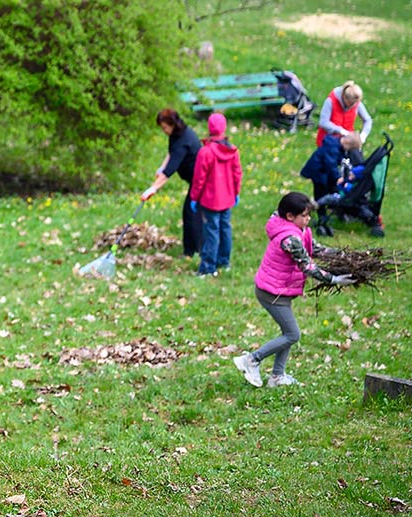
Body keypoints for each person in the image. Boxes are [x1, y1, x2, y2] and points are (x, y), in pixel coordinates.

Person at [232, 192, 355, 388]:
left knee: (287, 333)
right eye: (304, 215)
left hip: (280, 290)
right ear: (290, 216)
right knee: (292, 334)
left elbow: (314, 249)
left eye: (309, 215)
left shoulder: (300, 229)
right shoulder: (289, 238)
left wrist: (343, 256)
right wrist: (334, 279)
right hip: (271, 293)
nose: (308, 219)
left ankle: (277, 376)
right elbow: (308, 266)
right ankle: (251, 360)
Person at [140, 109, 204, 258]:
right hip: (195, 180)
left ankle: (193, 251)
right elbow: (171, 153)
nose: (164, 131)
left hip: (201, 181)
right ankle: (195, 249)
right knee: (192, 213)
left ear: (172, 124)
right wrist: (161, 167)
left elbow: (171, 170)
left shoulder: (183, 141)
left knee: (191, 214)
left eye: (164, 128)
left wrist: (153, 188)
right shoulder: (176, 135)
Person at [189, 112, 242, 277]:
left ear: (209, 128)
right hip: (227, 198)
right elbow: (237, 173)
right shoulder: (232, 150)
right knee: (225, 229)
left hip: (210, 200)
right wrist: (236, 192)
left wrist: (194, 197)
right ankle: (223, 261)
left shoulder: (206, 152)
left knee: (211, 231)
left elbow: (199, 178)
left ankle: (208, 267)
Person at [300, 132, 362, 202]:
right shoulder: (332, 148)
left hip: (324, 170)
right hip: (318, 170)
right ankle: (320, 207)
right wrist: (337, 177)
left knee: (329, 185)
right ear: (347, 144)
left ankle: (328, 202)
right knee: (321, 189)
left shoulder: (337, 145)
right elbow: (330, 164)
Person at [316, 80, 372, 147]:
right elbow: (323, 122)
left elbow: (368, 120)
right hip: (328, 141)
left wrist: (363, 135)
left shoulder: (356, 102)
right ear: (344, 97)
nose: (353, 106)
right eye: (351, 104)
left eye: (355, 104)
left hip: (347, 142)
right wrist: (341, 131)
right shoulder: (331, 101)